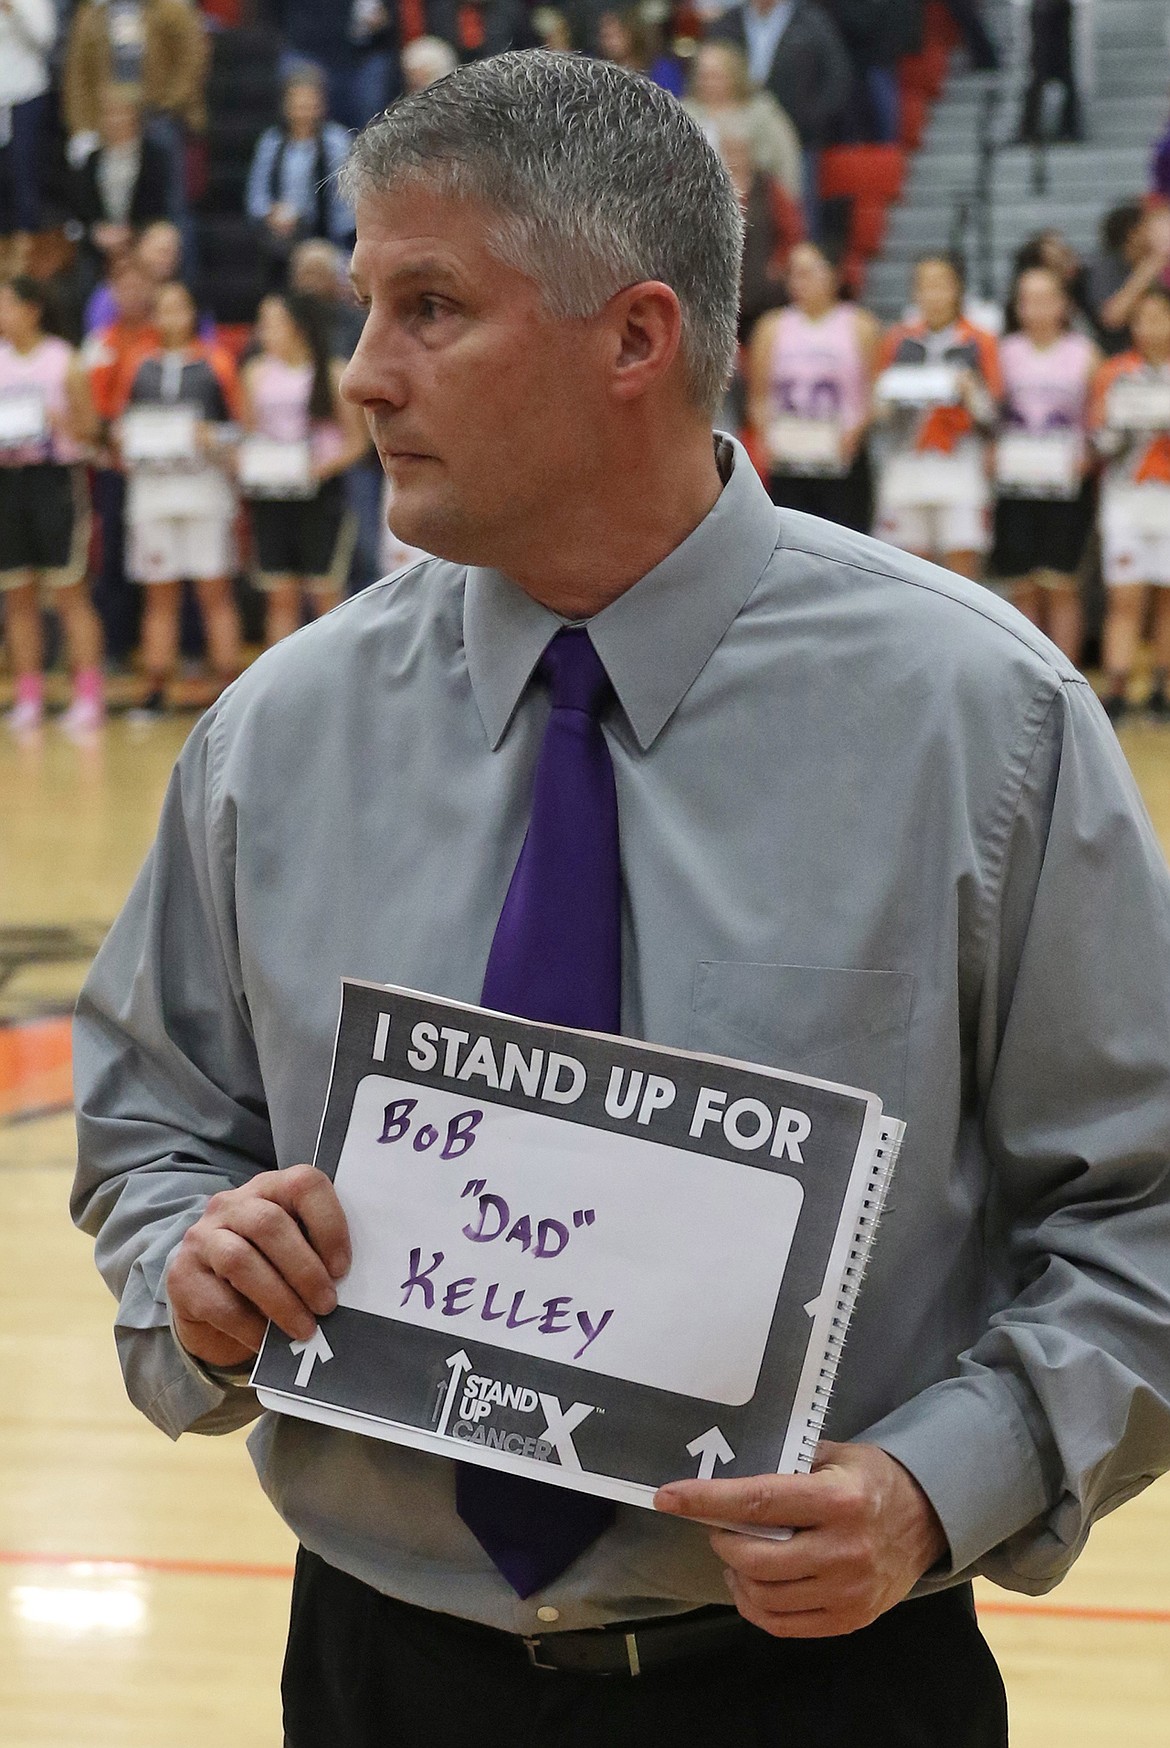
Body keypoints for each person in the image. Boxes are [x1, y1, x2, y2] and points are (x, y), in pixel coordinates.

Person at [71, 50, 1170, 1748]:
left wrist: (943, 1481)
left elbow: (1146, 1207)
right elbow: (151, 1136)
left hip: (827, 1683)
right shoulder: (273, 736)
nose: (363, 375)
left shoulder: (987, 727)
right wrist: (192, 1276)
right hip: (376, 1672)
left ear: (636, 338)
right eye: (363, 305)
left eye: (429, 307)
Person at [113, 279, 243, 717]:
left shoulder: (217, 364)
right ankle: (155, 689)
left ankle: (230, 687)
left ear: (192, 314)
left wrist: (214, 437)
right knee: (159, 594)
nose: (171, 317)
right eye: (163, 308)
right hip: (151, 494)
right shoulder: (138, 364)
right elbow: (120, 425)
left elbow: (240, 427)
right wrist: (125, 439)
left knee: (213, 591)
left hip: (204, 492)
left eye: (179, 308)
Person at [0, 276, 103, 734]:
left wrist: (60, 423)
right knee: (17, 593)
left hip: (54, 481)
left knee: (68, 591)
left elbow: (90, 430)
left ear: (31, 309)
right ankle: (29, 695)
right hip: (8, 481)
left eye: (5, 304)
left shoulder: (63, 360)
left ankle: (87, 694)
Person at [238, 290, 369, 643]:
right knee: (280, 597)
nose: (263, 332)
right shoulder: (255, 373)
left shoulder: (332, 371)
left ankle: (336, 689)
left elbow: (357, 442)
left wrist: (318, 470)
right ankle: (279, 693)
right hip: (272, 495)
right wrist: (246, 462)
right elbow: (248, 435)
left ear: (297, 327)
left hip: (321, 496)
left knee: (326, 594)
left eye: (272, 323)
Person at [990, 263, 1098, 662]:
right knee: (1023, 585)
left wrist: (1089, 451)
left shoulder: (1084, 353)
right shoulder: (1005, 352)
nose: (1035, 308)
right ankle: (1030, 672)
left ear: (1063, 304)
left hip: (1065, 480)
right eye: (1026, 300)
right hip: (1016, 479)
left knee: (1062, 584)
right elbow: (993, 413)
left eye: (1044, 299)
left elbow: (1098, 414)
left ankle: (1069, 678)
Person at [873, 253, 1001, 578]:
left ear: (958, 289)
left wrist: (972, 393)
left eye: (942, 285)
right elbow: (880, 409)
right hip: (907, 464)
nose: (933, 295)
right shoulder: (899, 340)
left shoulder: (979, 340)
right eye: (924, 286)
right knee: (908, 571)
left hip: (960, 466)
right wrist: (883, 399)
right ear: (914, 293)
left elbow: (994, 412)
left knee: (964, 571)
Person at [747, 239, 877, 530]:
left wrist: (856, 431)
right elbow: (758, 397)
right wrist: (766, 439)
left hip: (842, 454)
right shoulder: (771, 327)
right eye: (792, 273)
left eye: (807, 273)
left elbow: (873, 393)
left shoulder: (860, 325)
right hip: (789, 453)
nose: (798, 282)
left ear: (834, 274)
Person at [1090, 284, 1170, 722]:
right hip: (1126, 498)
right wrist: (1120, 426)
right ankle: (1117, 688)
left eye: (1161, 317)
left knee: (1167, 597)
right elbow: (1098, 441)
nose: (1152, 327)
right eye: (1143, 319)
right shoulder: (1115, 373)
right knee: (1125, 596)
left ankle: (1163, 688)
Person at [708, 0, 852, 229]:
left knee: (798, 210)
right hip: (734, 128)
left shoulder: (812, 21)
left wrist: (812, 121)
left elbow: (837, 76)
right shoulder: (727, 23)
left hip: (799, 135)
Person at [245, 69, 355, 290]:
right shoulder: (272, 142)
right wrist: (272, 212)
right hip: (282, 239)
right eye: (297, 104)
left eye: (309, 105)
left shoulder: (338, 142)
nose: (303, 112)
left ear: (321, 105)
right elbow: (256, 196)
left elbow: (348, 203)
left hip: (328, 237)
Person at [68, 85, 175, 298]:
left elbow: (161, 205)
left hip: (142, 236)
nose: (115, 120)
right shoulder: (92, 160)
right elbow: (81, 209)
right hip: (100, 245)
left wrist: (132, 233)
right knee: (82, 277)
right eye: (109, 114)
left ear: (135, 117)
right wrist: (97, 232)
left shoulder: (154, 158)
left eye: (121, 113)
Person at [682, 40, 802, 202]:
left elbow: (785, 161)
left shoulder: (762, 111)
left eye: (715, 76)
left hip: (757, 205)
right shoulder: (683, 113)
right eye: (703, 76)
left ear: (734, 76)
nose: (708, 82)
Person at [0, 0, 58, 278]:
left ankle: (26, 265)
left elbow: (45, 39)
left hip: (25, 95)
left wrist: (12, 9)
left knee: (25, 181)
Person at [1084, 202, 1170, 356]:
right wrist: (1147, 271)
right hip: (1120, 355)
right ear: (1133, 233)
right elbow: (1112, 317)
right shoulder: (1106, 266)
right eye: (1148, 225)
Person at [1016, 0, 1080, 145]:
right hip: (1046, 10)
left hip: (1051, 10)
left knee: (1052, 73)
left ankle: (1067, 126)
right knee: (1043, 75)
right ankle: (1034, 128)